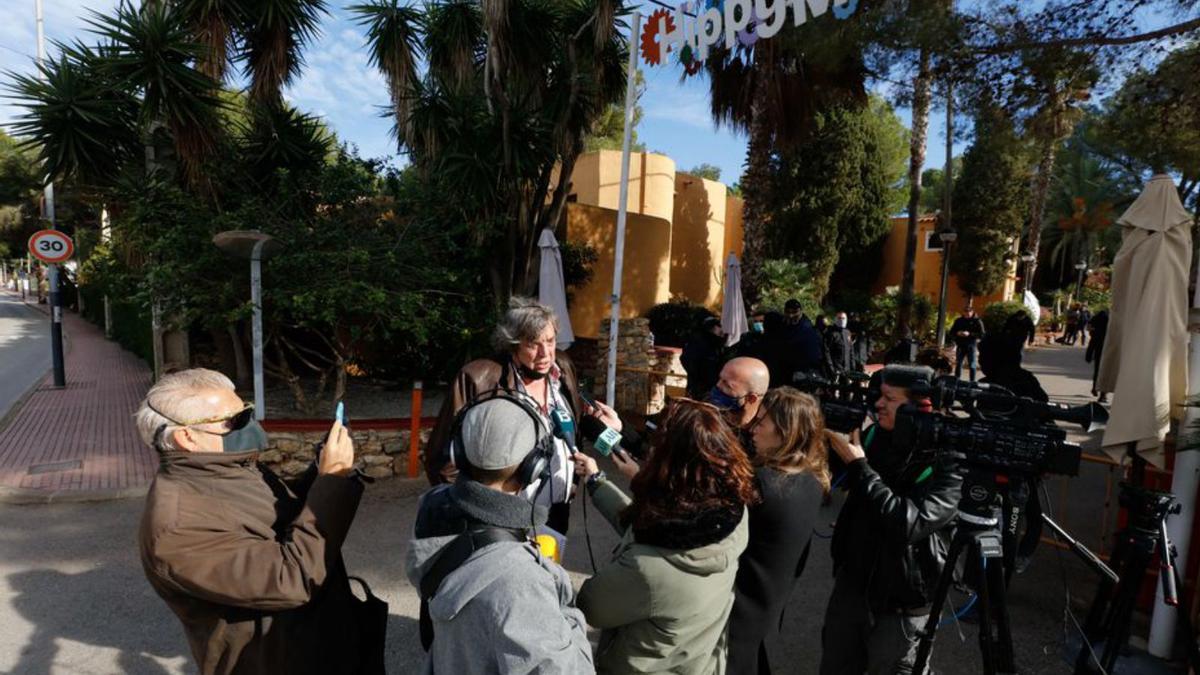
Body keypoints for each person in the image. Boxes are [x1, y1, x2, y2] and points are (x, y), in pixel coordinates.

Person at [135, 369, 375, 675]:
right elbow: (291, 578)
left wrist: (319, 470)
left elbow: (284, 515)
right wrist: (332, 480)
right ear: (187, 437)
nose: (248, 423)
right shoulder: (177, 529)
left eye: (245, 410)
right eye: (233, 420)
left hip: (320, 649)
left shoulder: (228, 467)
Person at [407, 396, 594, 674]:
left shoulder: (432, 507)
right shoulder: (522, 582)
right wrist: (565, 607)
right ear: (535, 467)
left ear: (458, 452)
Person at [573, 399, 757, 674]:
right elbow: (649, 526)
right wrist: (597, 481)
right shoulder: (732, 513)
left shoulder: (648, 568)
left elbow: (592, 605)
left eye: (655, 447)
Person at [821, 365, 962, 675]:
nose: (878, 405)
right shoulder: (874, 434)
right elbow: (836, 478)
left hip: (903, 601)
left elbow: (909, 523)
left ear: (921, 407)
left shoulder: (950, 458)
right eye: (878, 396)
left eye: (889, 398)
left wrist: (860, 468)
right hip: (852, 586)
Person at [426, 297, 610, 535]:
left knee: (549, 571)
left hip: (558, 510)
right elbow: (443, 458)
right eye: (533, 344)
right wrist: (474, 511)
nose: (545, 353)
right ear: (513, 345)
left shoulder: (562, 367)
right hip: (503, 515)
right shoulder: (480, 378)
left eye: (551, 341)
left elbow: (573, 422)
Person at [728, 387, 834, 674]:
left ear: (784, 432)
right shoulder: (810, 478)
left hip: (737, 609)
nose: (752, 427)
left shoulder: (763, 483)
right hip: (766, 605)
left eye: (762, 422)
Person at [978, 334, 1049, 578]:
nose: (979, 360)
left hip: (1015, 471)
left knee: (1003, 526)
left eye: (982, 355)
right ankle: (1001, 570)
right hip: (1005, 469)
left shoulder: (1006, 385)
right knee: (1007, 525)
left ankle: (998, 576)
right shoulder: (996, 382)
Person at [707, 356, 771, 449]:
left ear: (751, 399)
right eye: (720, 379)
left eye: (727, 385)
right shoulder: (709, 418)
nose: (718, 386)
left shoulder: (764, 437)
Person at [682, 315, 726, 398]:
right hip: (702, 386)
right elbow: (686, 359)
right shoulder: (703, 342)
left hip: (701, 384)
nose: (721, 329)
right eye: (718, 326)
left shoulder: (715, 342)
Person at [950, 308, 986, 382]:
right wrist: (957, 333)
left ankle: (972, 382)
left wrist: (970, 334)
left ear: (972, 312)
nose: (967, 314)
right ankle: (957, 380)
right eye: (965, 313)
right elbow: (952, 332)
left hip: (971, 345)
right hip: (960, 345)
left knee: (972, 365)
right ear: (963, 313)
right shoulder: (959, 321)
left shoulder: (977, 321)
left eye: (969, 312)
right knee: (959, 364)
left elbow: (982, 334)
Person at [823, 311, 859, 378]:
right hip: (836, 370)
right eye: (839, 318)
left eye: (843, 318)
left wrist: (853, 367)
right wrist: (831, 368)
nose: (842, 320)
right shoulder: (831, 333)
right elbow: (826, 352)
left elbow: (851, 351)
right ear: (836, 319)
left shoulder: (847, 333)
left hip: (847, 370)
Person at [1086, 309, 1109, 403]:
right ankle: (1103, 394)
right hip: (1108, 349)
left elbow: (1089, 329)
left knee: (1097, 370)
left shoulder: (1095, 323)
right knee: (1106, 371)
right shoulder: (1110, 321)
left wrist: (1089, 355)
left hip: (1098, 349)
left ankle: (1095, 387)